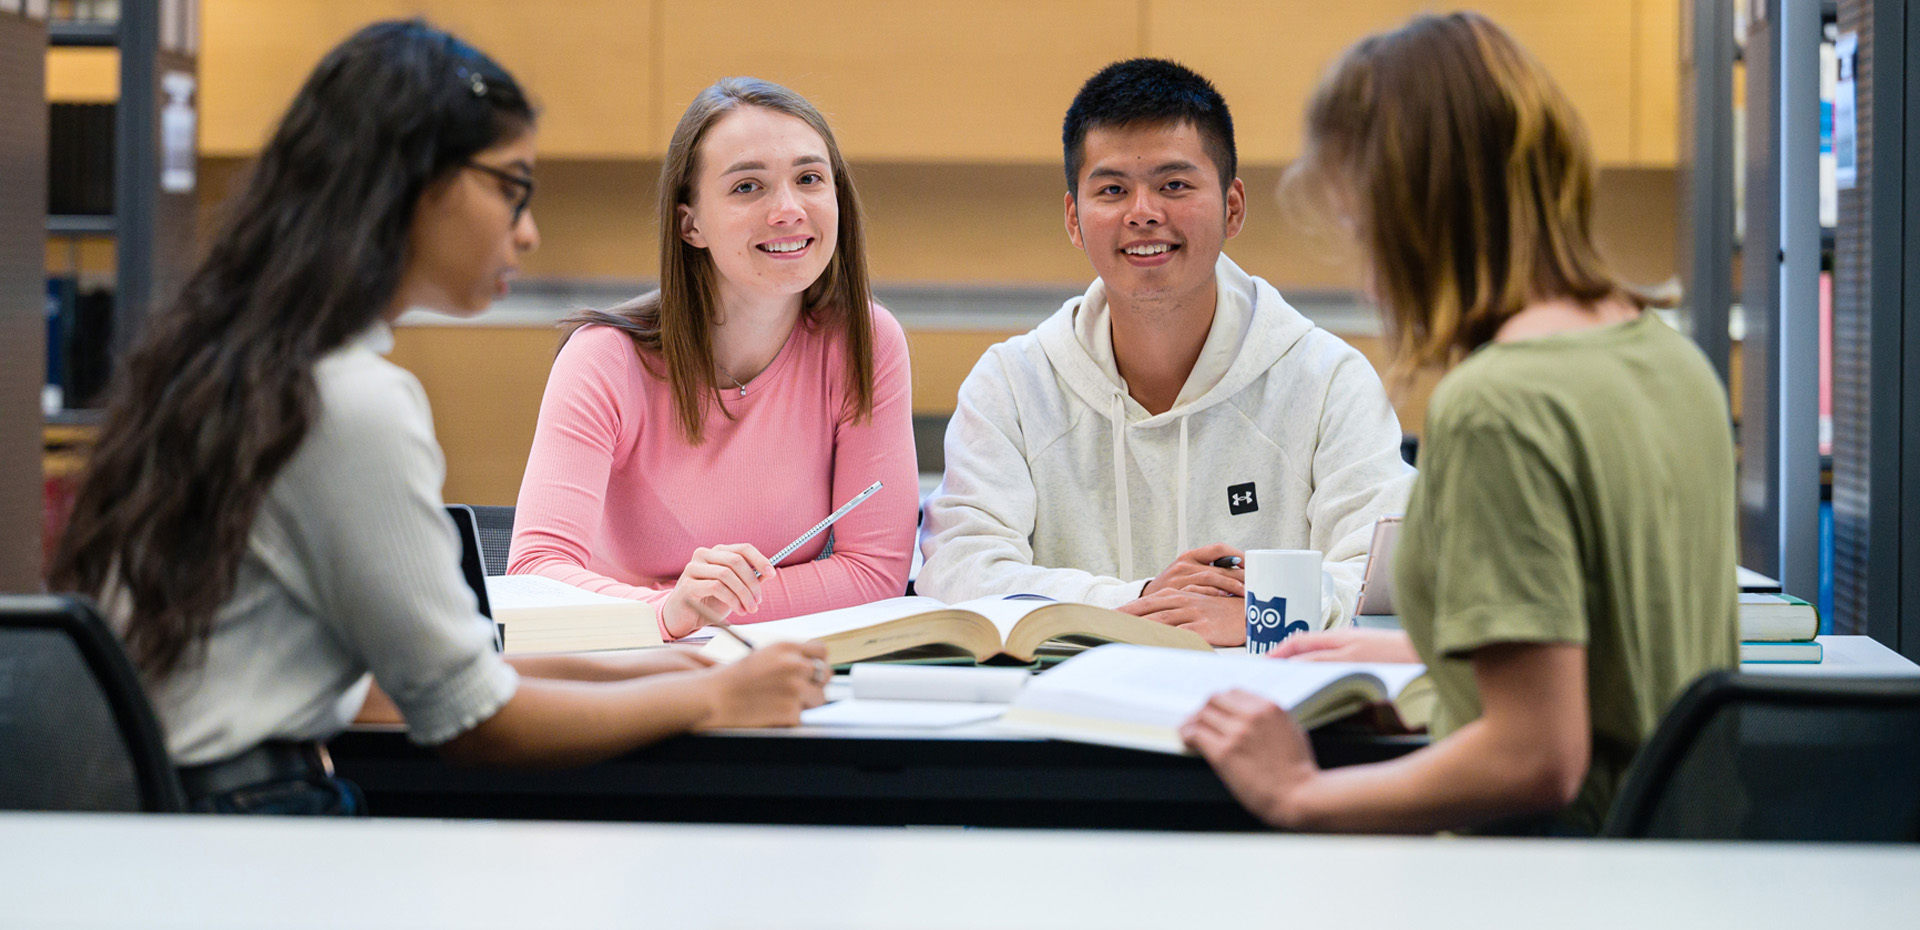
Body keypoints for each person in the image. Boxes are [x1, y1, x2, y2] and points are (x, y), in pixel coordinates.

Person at [50, 21, 828, 815]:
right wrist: (712, 702)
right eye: (509, 188)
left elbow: (428, 674)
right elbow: (471, 716)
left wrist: (674, 671)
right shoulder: (350, 402)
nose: (526, 230)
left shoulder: (232, 360)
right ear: (417, 184)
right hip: (249, 825)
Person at [1180, 12, 1738, 835]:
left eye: (1361, 229)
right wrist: (1432, 655)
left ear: (1414, 214)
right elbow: (1623, 651)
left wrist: (1298, 792)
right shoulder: (1668, 358)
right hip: (1693, 870)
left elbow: (1536, 754)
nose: (1370, 275)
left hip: (1552, 885)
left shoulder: (1498, 407)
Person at [916, 59, 1413, 645]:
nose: (1143, 212)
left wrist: (1261, 609)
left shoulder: (1327, 378)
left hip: (1266, 714)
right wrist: (1142, 599)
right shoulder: (1012, 383)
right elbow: (957, 566)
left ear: (1232, 206)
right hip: (1074, 713)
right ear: (1074, 219)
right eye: (1112, 190)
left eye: (1175, 185)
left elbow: (1386, 575)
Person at [507, 77, 917, 642]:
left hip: (779, 669)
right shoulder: (603, 358)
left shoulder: (866, 340)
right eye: (749, 186)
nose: (789, 209)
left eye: (809, 179)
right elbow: (535, 573)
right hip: (624, 665)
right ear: (690, 224)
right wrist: (667, 612)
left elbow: (875, 573)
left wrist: (708, 609)